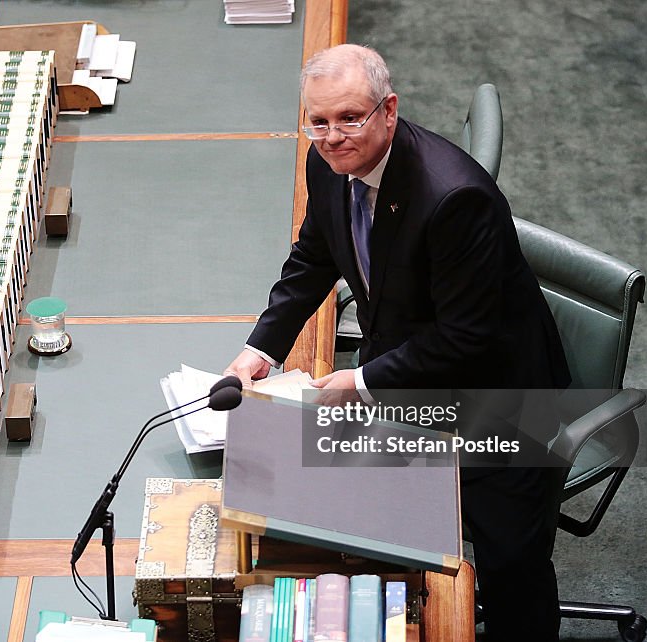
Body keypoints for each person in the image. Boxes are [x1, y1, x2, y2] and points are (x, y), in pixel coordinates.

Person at [224, 44, 571, 641]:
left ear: (388, 110)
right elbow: (314, 256)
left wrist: (360, 381)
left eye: (349, 118)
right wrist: (261, 349)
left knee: (511, 566)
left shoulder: (453, 198)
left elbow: (468, 337)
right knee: (349, 512)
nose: (332, 137)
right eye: (319, 121)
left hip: (500, 399)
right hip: (411, 370)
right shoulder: (327, 164)